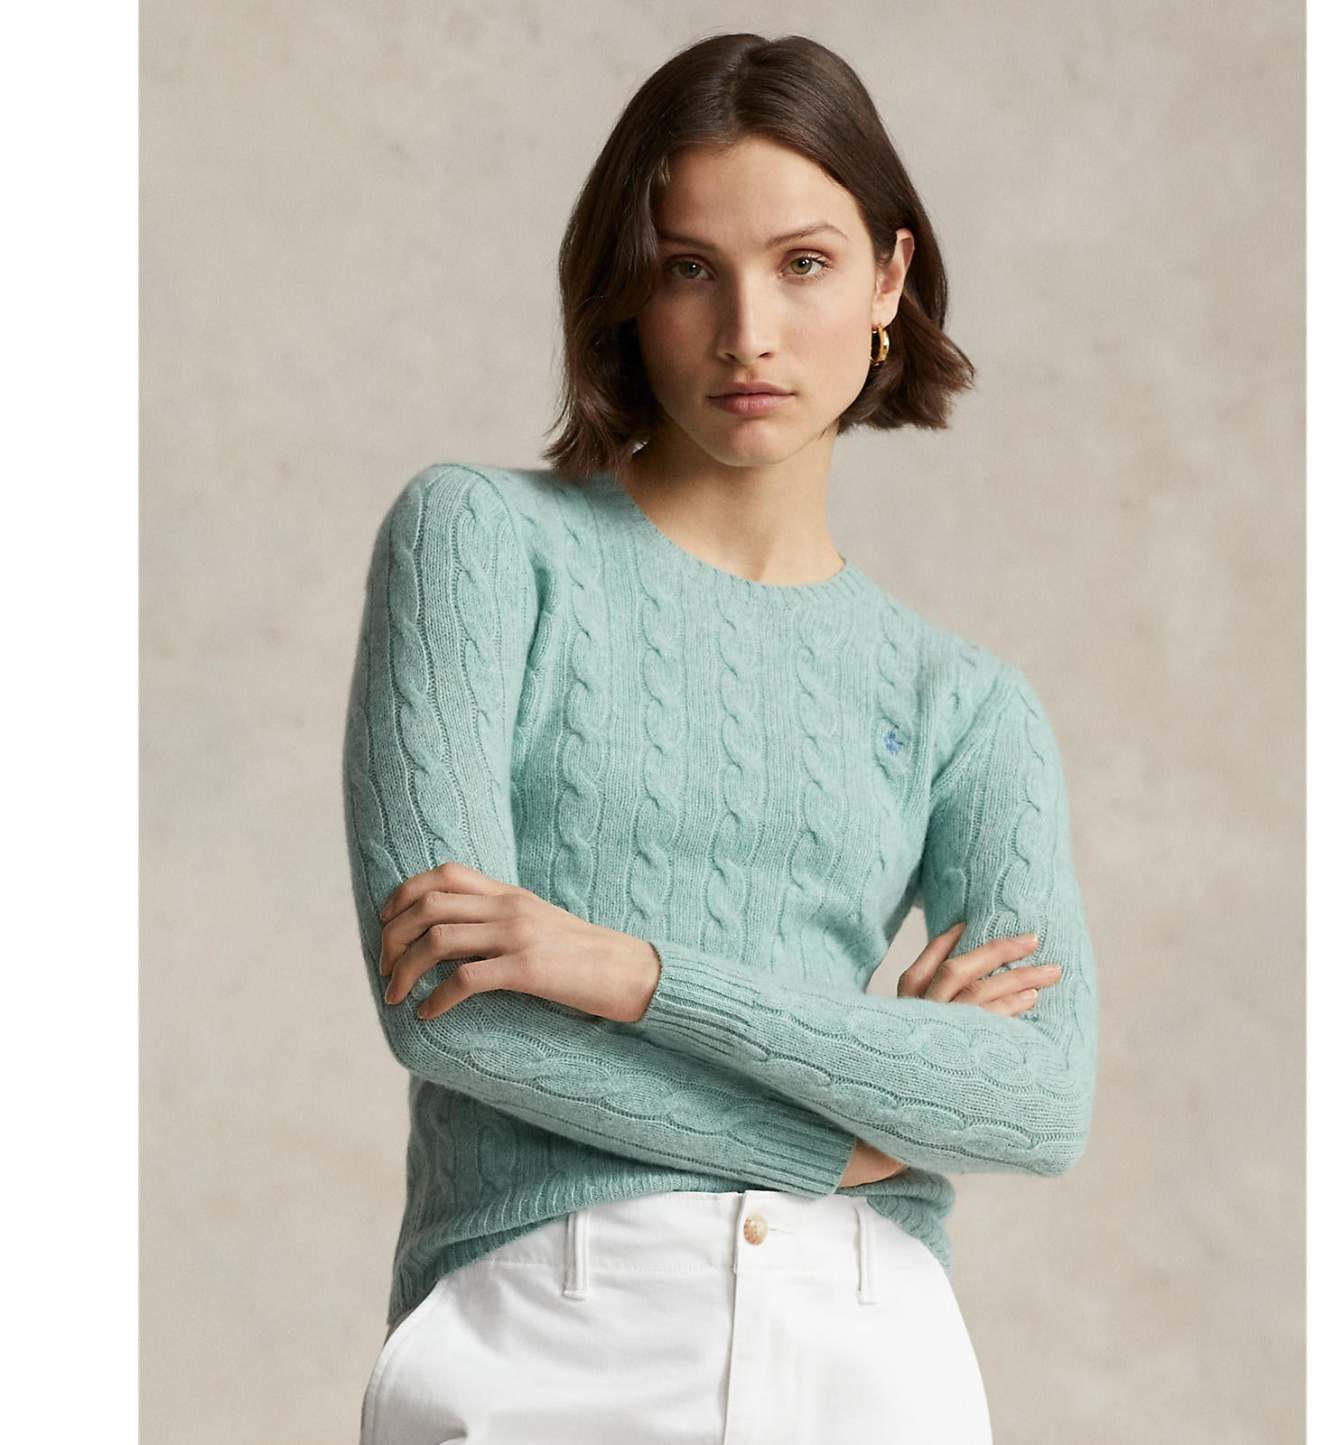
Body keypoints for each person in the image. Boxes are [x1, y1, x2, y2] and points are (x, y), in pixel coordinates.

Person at [343, 31, 1099, 1445]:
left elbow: (1038, 1097)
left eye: (803, 262)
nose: (748, 328)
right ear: (629, 289)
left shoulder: (963, 701)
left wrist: (633, 972)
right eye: (690, 267)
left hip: (865, 1335)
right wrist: (855, 1130)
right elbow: (450, 1007)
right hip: (551, 1317)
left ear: (889, 278)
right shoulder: (483, 543)